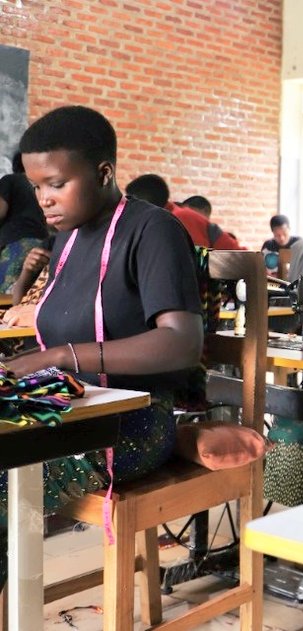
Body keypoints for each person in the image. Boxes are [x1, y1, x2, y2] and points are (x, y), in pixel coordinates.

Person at [0, 105, 204, 583]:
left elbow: (181, 344)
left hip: (133, 423)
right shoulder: (69, 239)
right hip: (73, 408)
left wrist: (56, 357)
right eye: (35, 187)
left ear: (104, 172)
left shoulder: (152, 231)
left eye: (55, 184)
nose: (43, 199)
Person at [125, 174, 242, 250]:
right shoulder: (166, 217)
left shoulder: (179, 218)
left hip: (238, 271)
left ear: (146, 201)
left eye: (132, 201)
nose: (129, 207)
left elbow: (195, 263)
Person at [0, 152, 49, 291]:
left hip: (16, 245)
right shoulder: (40, 187)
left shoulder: (10, 180)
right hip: (41, 246)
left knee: (5, 295)